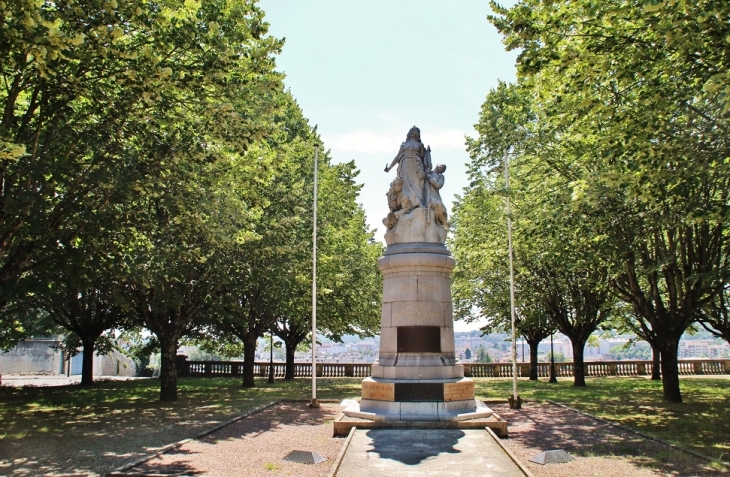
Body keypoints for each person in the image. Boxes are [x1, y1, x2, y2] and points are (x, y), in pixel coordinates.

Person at [384, 126, 429, 209]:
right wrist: (389, 168)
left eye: (413, 131)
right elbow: (397, 156)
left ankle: (418, 203)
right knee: (405, 184)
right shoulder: (404, 144)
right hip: (404, 164)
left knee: (416, 185)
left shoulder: (420, 145)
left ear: (417, 133)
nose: (411, 132)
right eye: (411, 130)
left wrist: (427, 153)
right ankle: (406, 204)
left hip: (416, 164)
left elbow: (423, 158)